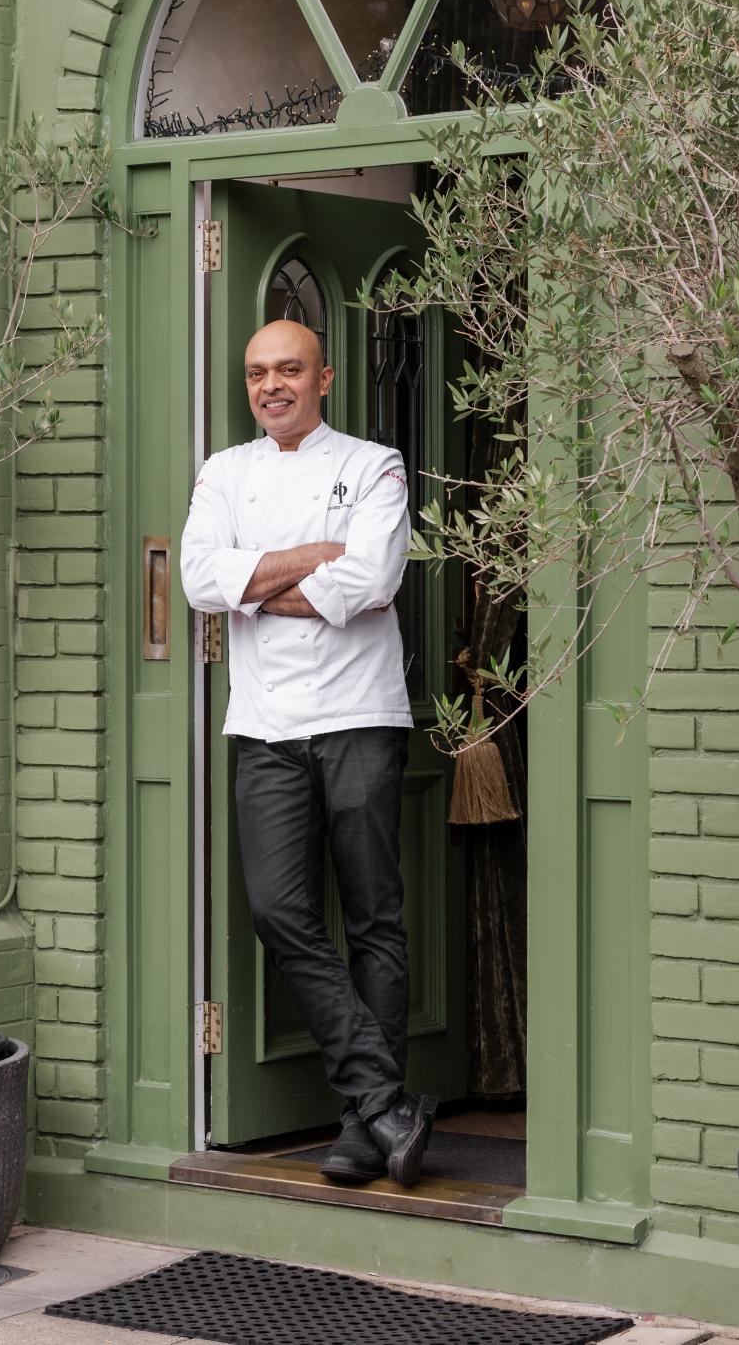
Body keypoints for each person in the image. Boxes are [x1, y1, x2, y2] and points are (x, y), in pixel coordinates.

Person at [178, 318, 437, 1187]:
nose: (271, 385)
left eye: (289, 369)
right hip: (264, 725)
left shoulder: (374, 465)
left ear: (323, 378)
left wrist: (253, 583)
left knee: (373, 917)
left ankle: (364, 1127)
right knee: (278, 911)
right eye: (257, 372)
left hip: (360, 715)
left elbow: (372, 581)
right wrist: (310, 561)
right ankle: (385, 1098)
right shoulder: (224, 471)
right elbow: (199, 580)